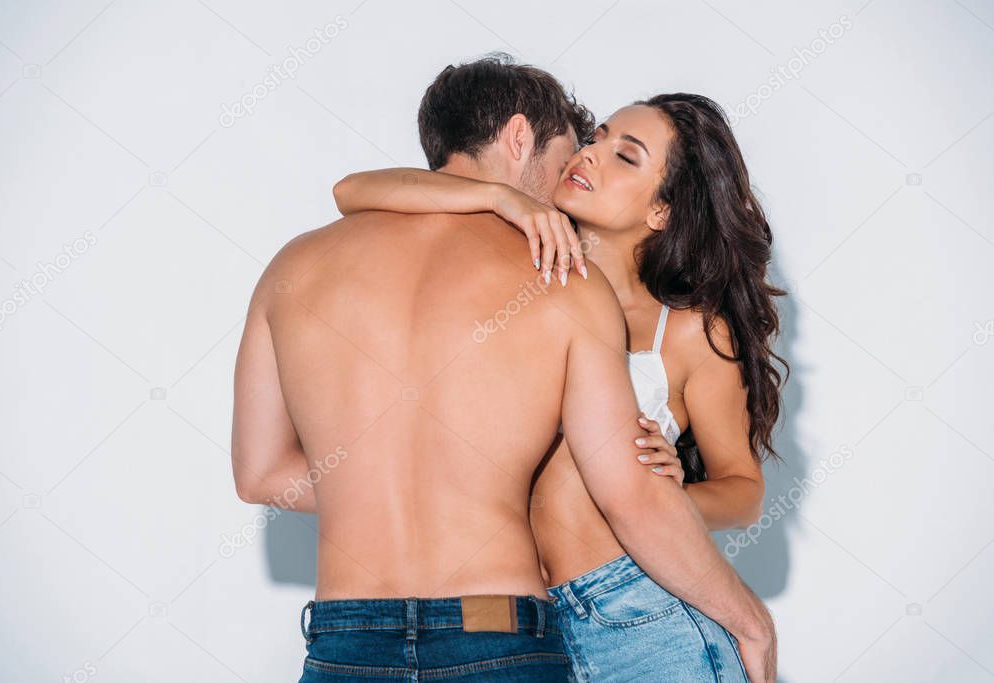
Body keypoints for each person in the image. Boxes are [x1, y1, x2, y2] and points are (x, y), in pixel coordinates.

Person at [233, 55, 776, 682]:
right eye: (584, 144)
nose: (582, 162)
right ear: (521, 138)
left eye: (621, 155)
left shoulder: (290, 268)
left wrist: (385, 486)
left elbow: (263, 474)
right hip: (501, 624)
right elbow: (629, 496)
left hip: (359, 630)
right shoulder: (561, 284)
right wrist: (751, 622)